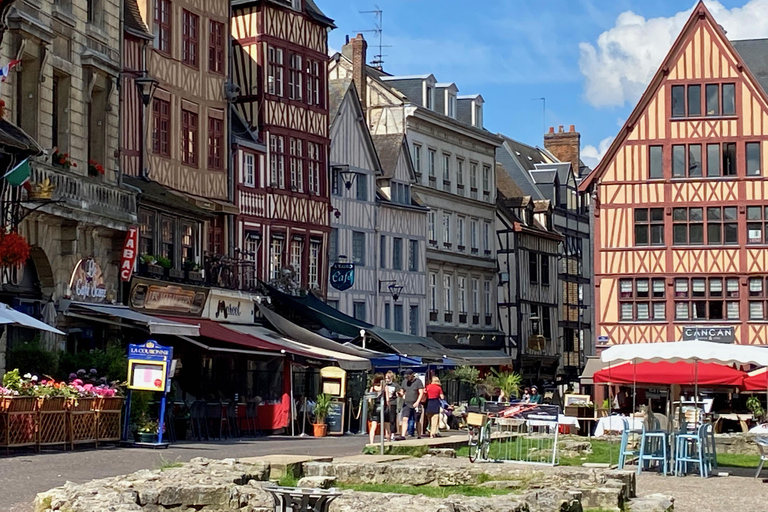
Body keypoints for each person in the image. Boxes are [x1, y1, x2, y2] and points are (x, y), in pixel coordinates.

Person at [400, 369, 424, 438]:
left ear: (412, 375)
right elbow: (402, 390)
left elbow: (421, 393)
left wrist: (417, 402)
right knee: (405, 418)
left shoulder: (418, 382)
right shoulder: (404, 382)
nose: (407, 378)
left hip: (416, 403)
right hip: (407, 403)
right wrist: (401, 394)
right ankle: (403, 435)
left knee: (417, 420)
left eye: (408, 376)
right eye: (406, 376)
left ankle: (419, 435)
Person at [369, 373, 390, 445]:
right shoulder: (385, 387)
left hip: (376, 407)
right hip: (384, 407)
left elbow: (370, 400)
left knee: (373, 426)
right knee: (387, 426)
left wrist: (371, 407)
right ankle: (388, 442)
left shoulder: (373, 388)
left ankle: (371, 442)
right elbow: (387, 399)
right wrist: (388, 407)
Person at [385, 371, 402, 441]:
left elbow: (400, 392)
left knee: (392, 419)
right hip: (385, 404)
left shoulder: (395, 385)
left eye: (388, 378)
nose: (387, 379)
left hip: (392, 403)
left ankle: (392, 434)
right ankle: (386, 434)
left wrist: (400, 393)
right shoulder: (383, 385)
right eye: (385, 378)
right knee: (385, 419)